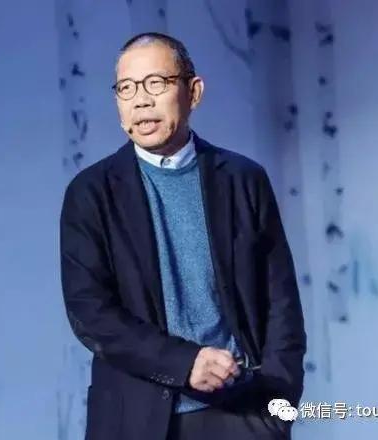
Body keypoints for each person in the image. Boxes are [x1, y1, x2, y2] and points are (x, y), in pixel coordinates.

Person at [59, 32, 306, 440]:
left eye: (156, 83)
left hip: (241, 413)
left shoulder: (243, 180)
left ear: (194, 92)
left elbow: (281, 302)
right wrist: (184, 362)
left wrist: (276, 409)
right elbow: (91, 313)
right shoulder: (91, 193)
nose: (141, 101)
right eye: (126, 88)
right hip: (135, 419)